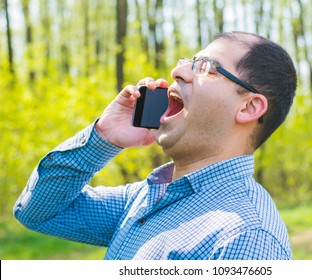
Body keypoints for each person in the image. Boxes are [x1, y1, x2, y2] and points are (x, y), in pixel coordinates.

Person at [14, 31, 297, 260]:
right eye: (188, 61)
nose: (178, 71)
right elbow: (37, 211)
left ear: (249, 107)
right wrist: (103, 137)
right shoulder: (145, 198)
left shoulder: (247, 238)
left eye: (206, 68)